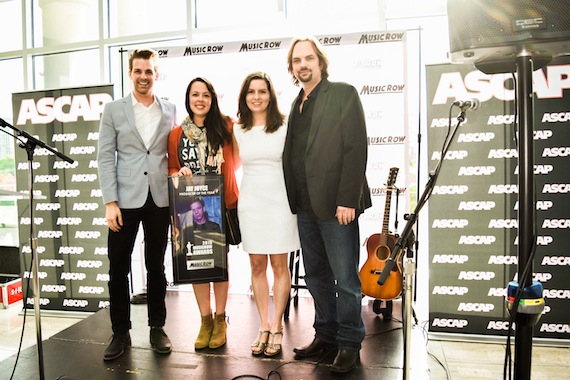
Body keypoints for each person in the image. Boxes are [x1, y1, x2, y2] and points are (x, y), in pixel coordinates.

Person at [282, 36, 372, 374]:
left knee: (345, 279)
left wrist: (347, 200)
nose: (303, 65)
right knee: (316, 276)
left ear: (320, 62)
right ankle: (327, 335)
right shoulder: (296, 103)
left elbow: (355, 148)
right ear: (292, 68)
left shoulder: (343, 94)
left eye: (309, 58)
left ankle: (349, 342)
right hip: (305, 207)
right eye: (297, 60)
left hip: (337, 207)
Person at [97, 48, 176, 361]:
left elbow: (173, 152)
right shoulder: (114, 110)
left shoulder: (169, 109)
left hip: (159, 198)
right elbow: (105, 156)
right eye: (139, 71)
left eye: (149, 71)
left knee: (156, 266)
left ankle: (157, 326)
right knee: (118, 267)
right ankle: (120, 332)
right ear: (131, 73)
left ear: (156, 74)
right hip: (124, 201)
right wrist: (110, 202)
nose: (144, 77)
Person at [168, 77, 239, 350]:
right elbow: (172, 168)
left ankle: (221, 319)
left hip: (221, 207)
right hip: (189, 207)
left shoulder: (226, 127)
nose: (200, 100)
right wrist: (179, 173)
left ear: (213, 99)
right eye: (195, 95)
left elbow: (239, 159)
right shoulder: (177, 134)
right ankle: (205, 320)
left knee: (219, 264)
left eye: (206, 95)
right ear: (188, 98)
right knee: (198, 265)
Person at [233, 72, 300, 357]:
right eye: (251, 92)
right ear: (244, 96)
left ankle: (277, 328)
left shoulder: (285, 125)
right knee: (257, 267)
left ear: (271, 96)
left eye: (262, 91)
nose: (257, 97)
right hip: (251, 203)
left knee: (280, 267)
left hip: (280, 202)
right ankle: (263, 325)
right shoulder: (237, 129)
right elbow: (229, 164)